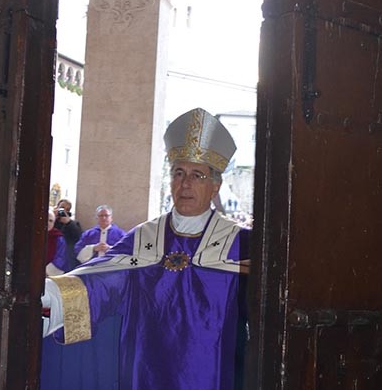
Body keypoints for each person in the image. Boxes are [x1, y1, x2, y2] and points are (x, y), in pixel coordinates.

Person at [42, 108, 250, 390]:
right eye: (178, 172)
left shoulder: (241, 244)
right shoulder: (145, 237)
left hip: (214, 375)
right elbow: (101, 280)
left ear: (216, 186)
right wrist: (51, 295)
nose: (185, 183)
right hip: (146, 373)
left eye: (197, 175)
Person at [53, 198, 82, 270]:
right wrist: (52, 217)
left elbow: (78, 237)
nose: (64, 211)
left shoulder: (74, 224)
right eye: (62, 208)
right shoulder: (51, 221)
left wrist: (68, 222)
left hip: (66, 258)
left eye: (67, 209)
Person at [45, 209, 67, 276]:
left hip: (49, 274)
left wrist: (45, 271)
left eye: (51, 221)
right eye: (46, 219)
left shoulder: (58, 237)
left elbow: (61, 257)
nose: (48, 223)